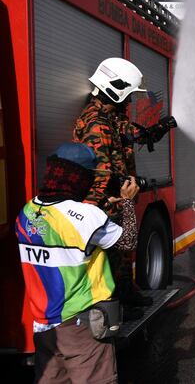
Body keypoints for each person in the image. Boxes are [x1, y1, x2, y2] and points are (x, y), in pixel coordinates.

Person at [16, 143, 140, 384]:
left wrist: (99, 207)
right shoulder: (87, 218)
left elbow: (65, 228)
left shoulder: (27, 212)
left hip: (44, 326)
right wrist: (127, 203)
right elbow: (128, 241)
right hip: (81, 325)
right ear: (80, 179)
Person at [73, 58, 176, 312]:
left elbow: (129, 132)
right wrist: (125, 184)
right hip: (104, 203)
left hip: (116, 200)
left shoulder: (108, 116)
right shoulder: (96, 123)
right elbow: (99, 173)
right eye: (128, 95)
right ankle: (113, 306)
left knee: (121, 253)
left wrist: (158, 129)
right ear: (115, 90)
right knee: (110, 253)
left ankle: (126, 292)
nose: (129, 101)